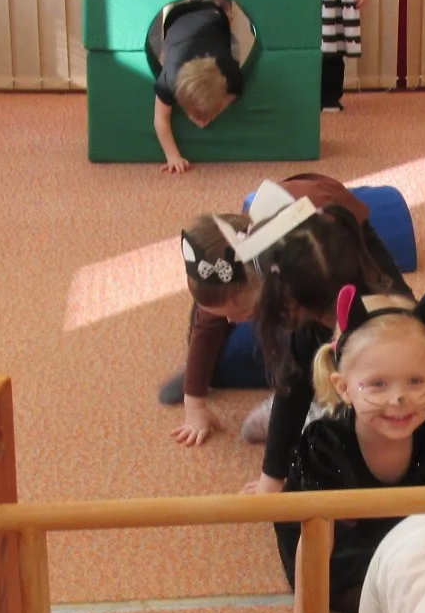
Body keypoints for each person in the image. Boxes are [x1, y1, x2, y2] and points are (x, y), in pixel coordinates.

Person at [261, 285, 425, 613]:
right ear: (343, 388)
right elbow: (316, 541)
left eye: (416, 382)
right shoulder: (325, 445)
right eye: (378, 384)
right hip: (344, 545)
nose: (399, 399)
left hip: (409, 535)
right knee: (367, 590)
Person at [242, 199, 425, 498]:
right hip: (353, 392)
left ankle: (378, 395)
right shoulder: (309, 332)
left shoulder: (406, 324)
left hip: (419, 392)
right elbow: (292, 394)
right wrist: (272, 476)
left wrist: (422, 396)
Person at [162, 175, 380, 445]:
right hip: (288, 249)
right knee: (219, 330)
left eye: (240, 310)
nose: (231, 319)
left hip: (343, 240)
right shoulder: (230, 274)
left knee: (327, 336)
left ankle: (322, 403)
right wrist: (194, 403)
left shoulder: (309, 275)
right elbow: (206, 325)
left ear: (268, 282)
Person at [148, 0, 252, 173]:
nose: (200, 122)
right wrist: (172, 156)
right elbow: (160, 119)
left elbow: (234, 93)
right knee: (165, 54)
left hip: (215, 17)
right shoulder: (169, 80)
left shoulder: (229, 70)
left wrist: (217, 110)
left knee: (229, 31)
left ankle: (220, 4)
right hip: (176, 17)